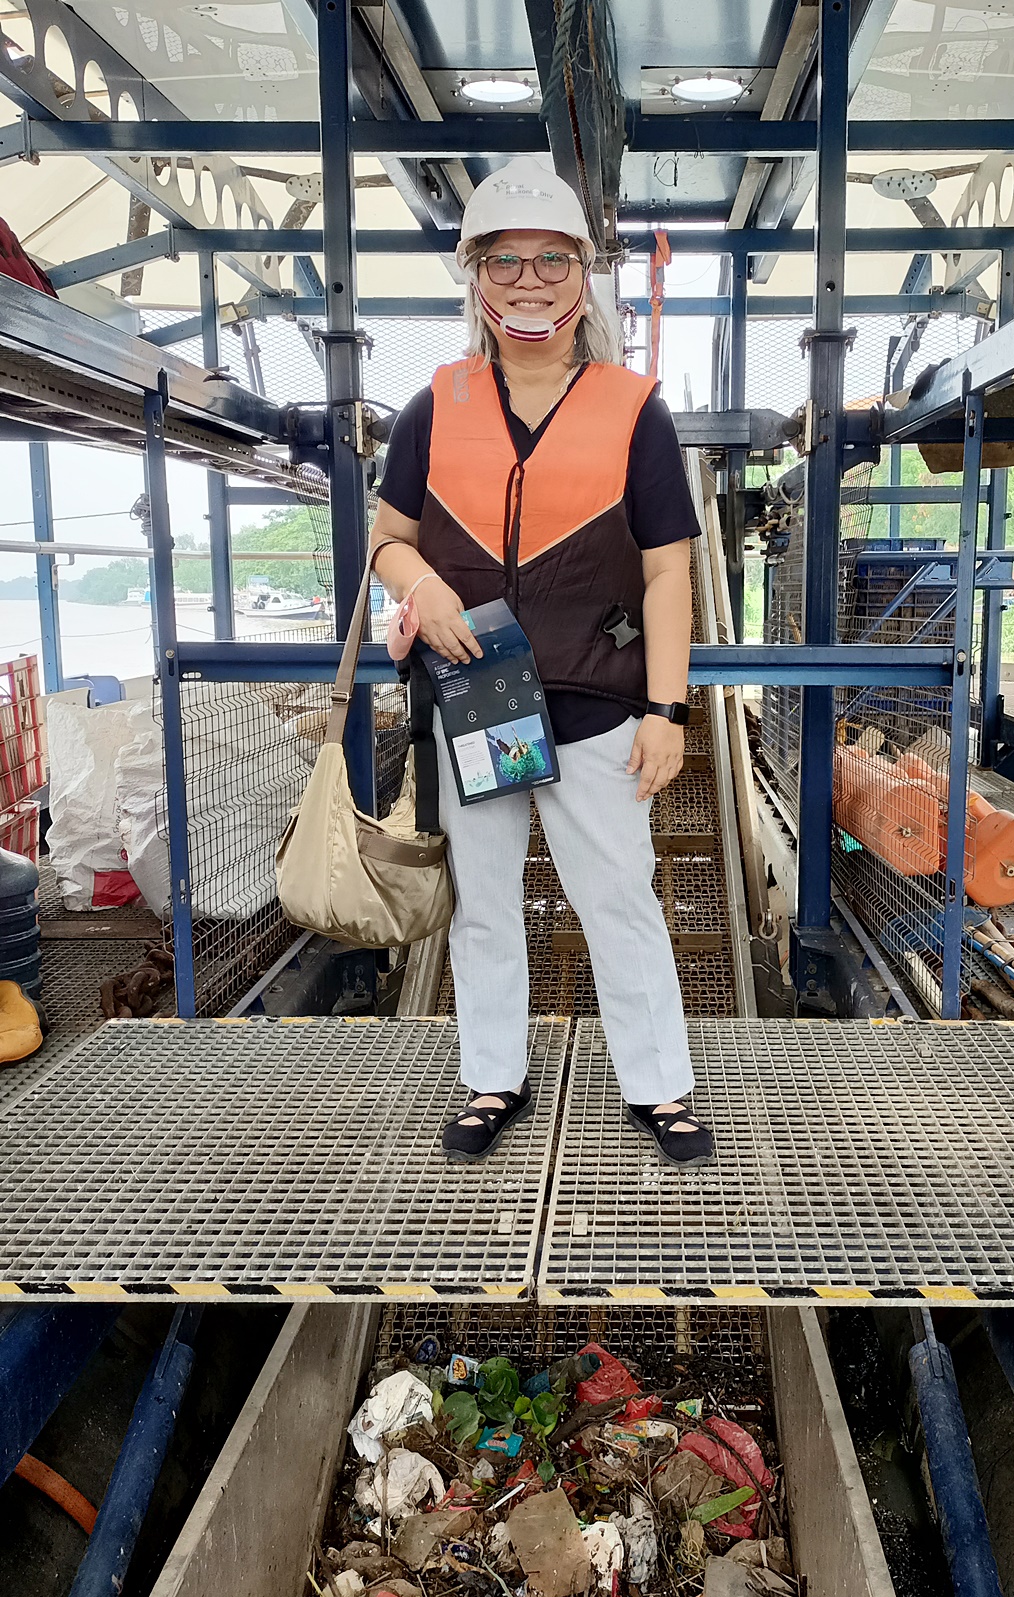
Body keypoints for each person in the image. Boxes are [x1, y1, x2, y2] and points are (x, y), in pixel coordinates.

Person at [369, 156, 712, 1169]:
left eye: (550, 261)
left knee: (620, 897)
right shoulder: (433, 407)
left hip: (600, 701)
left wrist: (667, 709)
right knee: (485, 899)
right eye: (505, 261)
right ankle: (492, 1077)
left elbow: (666, 572)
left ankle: (658, 1087)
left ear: (581, 272)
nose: (529, 282)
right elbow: (386, 538)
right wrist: (416, 585)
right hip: (479, 694)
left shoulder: (630, 408)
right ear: (473, 272)